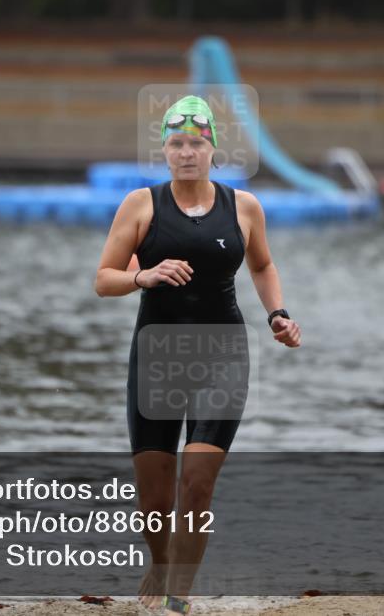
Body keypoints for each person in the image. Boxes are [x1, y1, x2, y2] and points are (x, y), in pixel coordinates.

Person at [94, 95, 301, 615]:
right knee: (155, 496)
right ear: (164, 151)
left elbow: (263, 265)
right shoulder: (141, 205)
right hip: (157, 357)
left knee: (197, 482)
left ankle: (179, 596)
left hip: (222, 353)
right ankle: (160, 561)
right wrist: (145, 274)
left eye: (196, 143)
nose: (187, 153)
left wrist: (278, 314)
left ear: (213, 149)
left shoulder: (244, 207)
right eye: (176, 144)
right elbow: (103, 279)